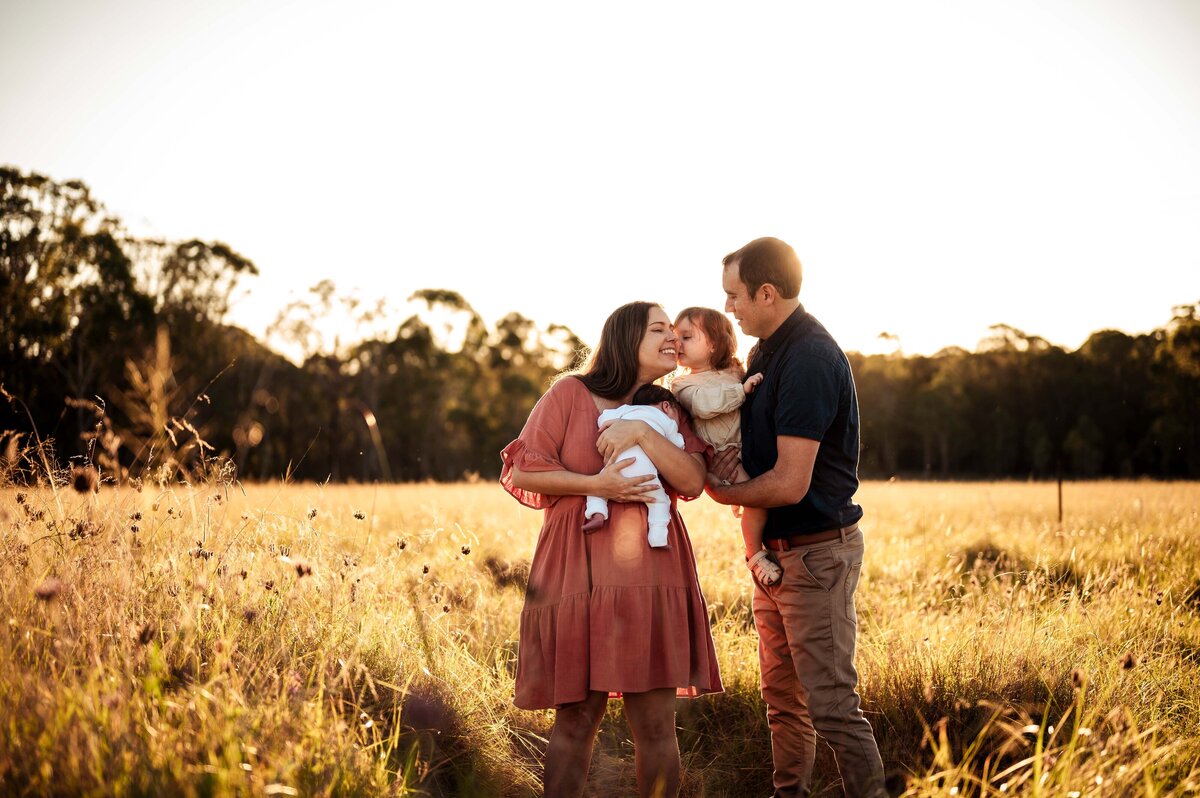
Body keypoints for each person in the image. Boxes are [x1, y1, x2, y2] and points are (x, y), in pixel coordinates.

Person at [500, 301, 722, 798]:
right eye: (659, 329)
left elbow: (691, 479)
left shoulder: (667, 408)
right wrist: (597, 483)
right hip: (578, 574)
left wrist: (642, 431)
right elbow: (525, 471)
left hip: (653, 576)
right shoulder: (568, 394)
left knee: (657, 728)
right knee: (577, 721)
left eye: (675, 330)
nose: (673, 337)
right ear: (625, 339)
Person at [704, 238, 886, 798]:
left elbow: (788, 482)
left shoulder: (807, 357)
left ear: (767, 291)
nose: (729, 308)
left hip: (814, 555)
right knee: (783, 703)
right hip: (775, 558)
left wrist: (719, 490)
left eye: (735, 295)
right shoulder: (766, 352)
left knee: (830, 705)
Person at [670, 306, 780, 587]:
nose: (677, 344)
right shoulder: (683, 384)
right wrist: (740, 390)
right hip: (721, 456)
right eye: (675, 337)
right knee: (757, 503)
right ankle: (754, 553)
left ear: (714, 344)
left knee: (764, 497)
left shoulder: (734, 370)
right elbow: (704, 406)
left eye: (687, 337)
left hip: (745, 449)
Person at [582, 384, 686, 548]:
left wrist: (609, 424)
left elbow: (603, 418)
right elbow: (678, 446)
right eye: (677, 416)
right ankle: (658, 538)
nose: (677, 421)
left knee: (597, 491)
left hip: (616, 465)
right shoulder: (668, 422)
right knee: (660, 503)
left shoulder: (625, 411)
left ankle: (597, 514)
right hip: (646, 474)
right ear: (666, 406)